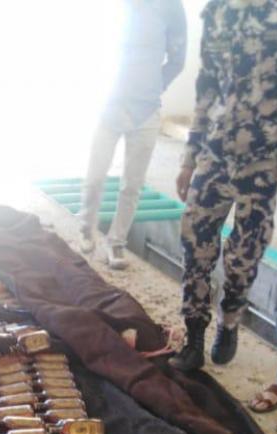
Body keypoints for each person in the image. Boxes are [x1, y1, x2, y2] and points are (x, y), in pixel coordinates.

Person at [170, 0, 277, 375]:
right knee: (194, 240)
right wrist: (189, 158)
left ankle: (230, 319)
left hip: (263, 160)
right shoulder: (217, 11)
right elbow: (207, 87)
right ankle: (194, 337)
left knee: (245, 254)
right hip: (214, 154)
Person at [79, 0, 187, 270]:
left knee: (132, 184)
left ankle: (116, 241)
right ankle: (86, 226)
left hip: (146, 109)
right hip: (111, 104)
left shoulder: (170, 7)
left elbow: (177, 60)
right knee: (94, 177)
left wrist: (154, 87)